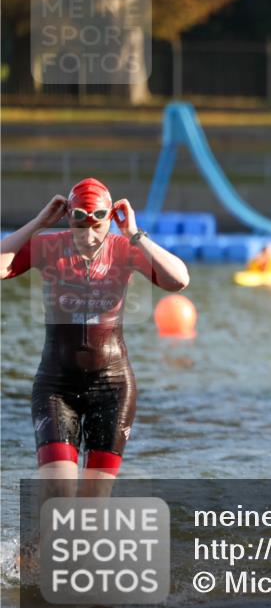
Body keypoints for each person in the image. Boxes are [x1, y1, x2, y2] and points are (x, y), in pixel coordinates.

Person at [0, 178, 190, 495]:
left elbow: (179, 280)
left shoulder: (125, 249)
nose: (88, 237)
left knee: (91, 507)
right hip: (56, 386)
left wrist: (134, 234)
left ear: (109, 219)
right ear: (68, 218)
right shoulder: (49, 247)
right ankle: (34, 545)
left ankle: (59, 544)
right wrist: (37, 224)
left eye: (97, 225)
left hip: (112, 386)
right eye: (79, 225)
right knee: (59, 493)